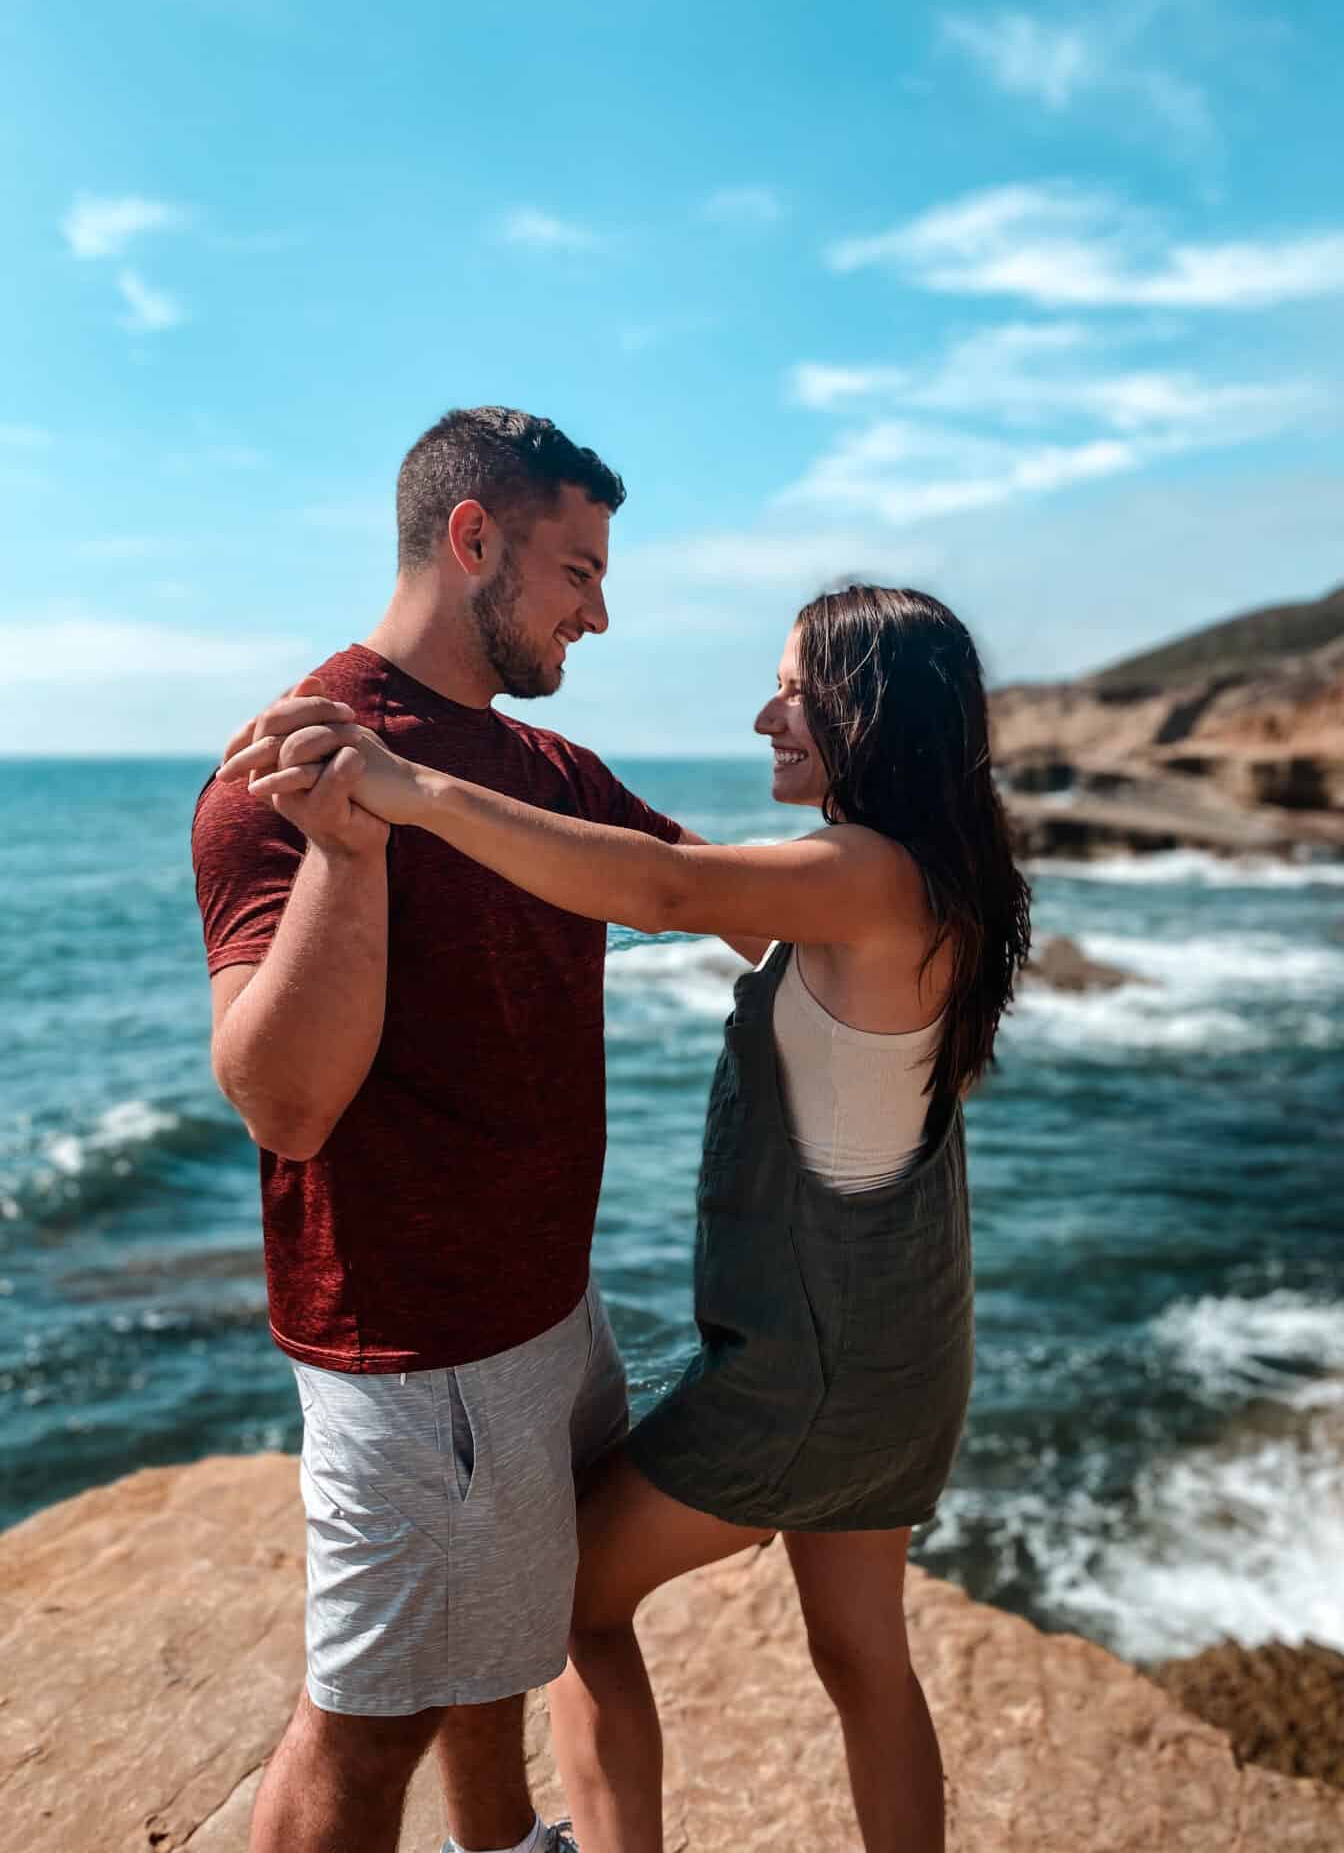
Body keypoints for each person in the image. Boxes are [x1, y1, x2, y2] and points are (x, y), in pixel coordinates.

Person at [221, 581, 1033, 1853]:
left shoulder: (862, 872)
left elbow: (661, 892)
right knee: (867, 1662)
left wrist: (413, 790)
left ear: (874, 712)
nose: (767, 712)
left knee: (570, 1605)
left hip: (810, 1378)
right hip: (906, 1358)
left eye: (796, 689)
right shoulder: (941, 881)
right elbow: (712, 899)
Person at [192, 406, 756, 1853]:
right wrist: (346, 846)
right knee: (363, 1726)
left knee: (494, 1645)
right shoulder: (294, 768)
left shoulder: (541, 772)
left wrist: (903, 873)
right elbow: (284, 1098)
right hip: (421, 1345)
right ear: (473, 539)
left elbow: (717, 900)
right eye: (579, 570)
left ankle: (501, 1844)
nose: (602, 612)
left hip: (546, 1313)